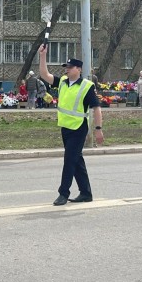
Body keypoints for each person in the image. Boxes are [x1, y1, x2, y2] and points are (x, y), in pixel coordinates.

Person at [38, 44, 104, 206]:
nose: (66, 70)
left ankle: (63, 193)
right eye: (66, 67)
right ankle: (86, 193)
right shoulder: (62, 82)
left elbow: (96, 108)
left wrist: (98, 129)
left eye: (70, 67)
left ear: (79, 69)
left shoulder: (87, 86)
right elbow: (44, 74)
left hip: (79, 128)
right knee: (76, 160)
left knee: (69, 160)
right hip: (65, 127)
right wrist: (42, 56)